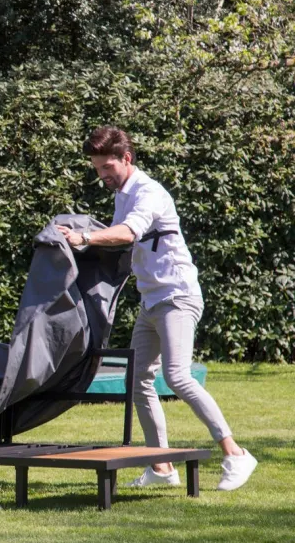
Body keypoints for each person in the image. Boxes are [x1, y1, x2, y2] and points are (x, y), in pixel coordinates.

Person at [57, 125, 257, 491]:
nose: (102, 176)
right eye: (97, 169)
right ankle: (162, 466)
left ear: (126, 158)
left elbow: (128, 233)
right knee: (138, 383)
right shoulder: (122, 194)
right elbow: (119, 241)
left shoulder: (148, 192)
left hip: (177, 297)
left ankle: (236, 454)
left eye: (107, 167)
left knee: (177, 376)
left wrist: (83, 236)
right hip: (151, 301)